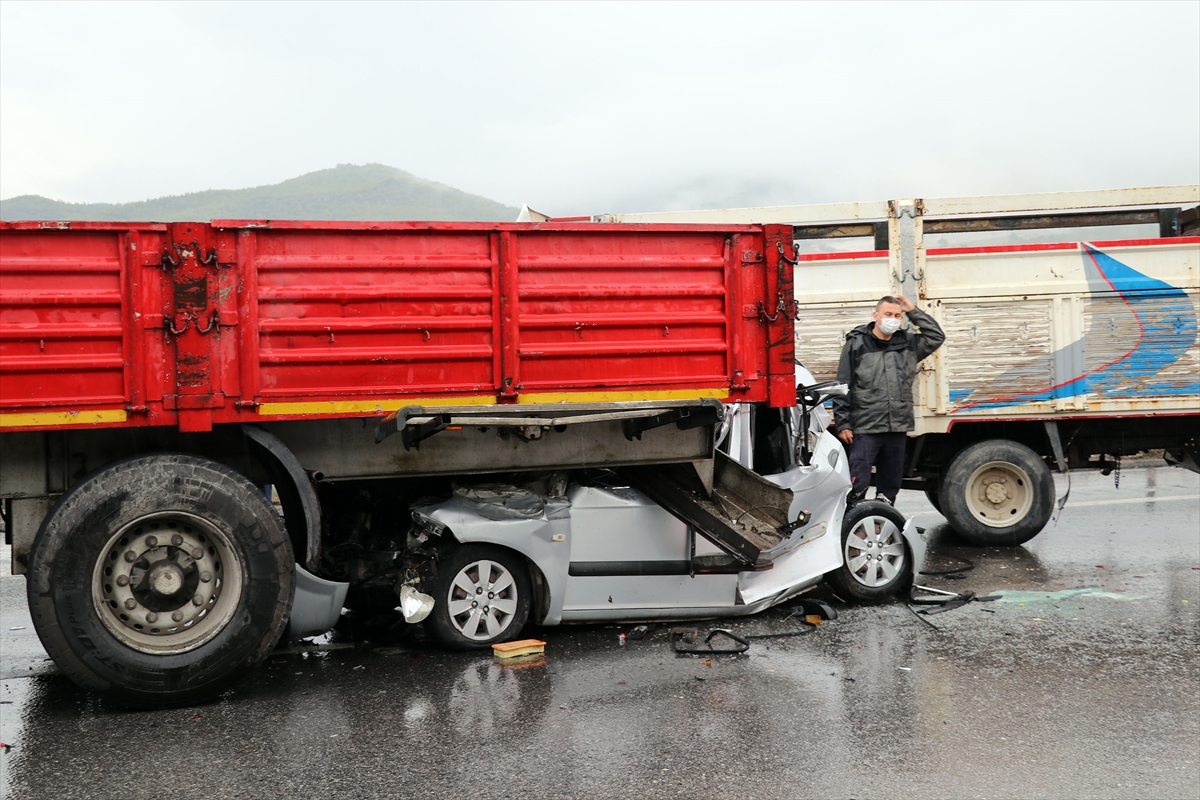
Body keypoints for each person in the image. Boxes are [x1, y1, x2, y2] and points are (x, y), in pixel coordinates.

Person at [832, 295, 945, 506]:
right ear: (876, 315)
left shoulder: (909, 344)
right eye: (888, 314)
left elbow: (936, 336)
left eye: (897, 315)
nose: (893, 319)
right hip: (866, 427)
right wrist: (843, 423)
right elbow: (843, 385)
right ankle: (854, 524)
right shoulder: (857, 344)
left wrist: (913, 311)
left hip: (897, 427)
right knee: (858, 484)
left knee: (889, 486)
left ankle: (880, 523)